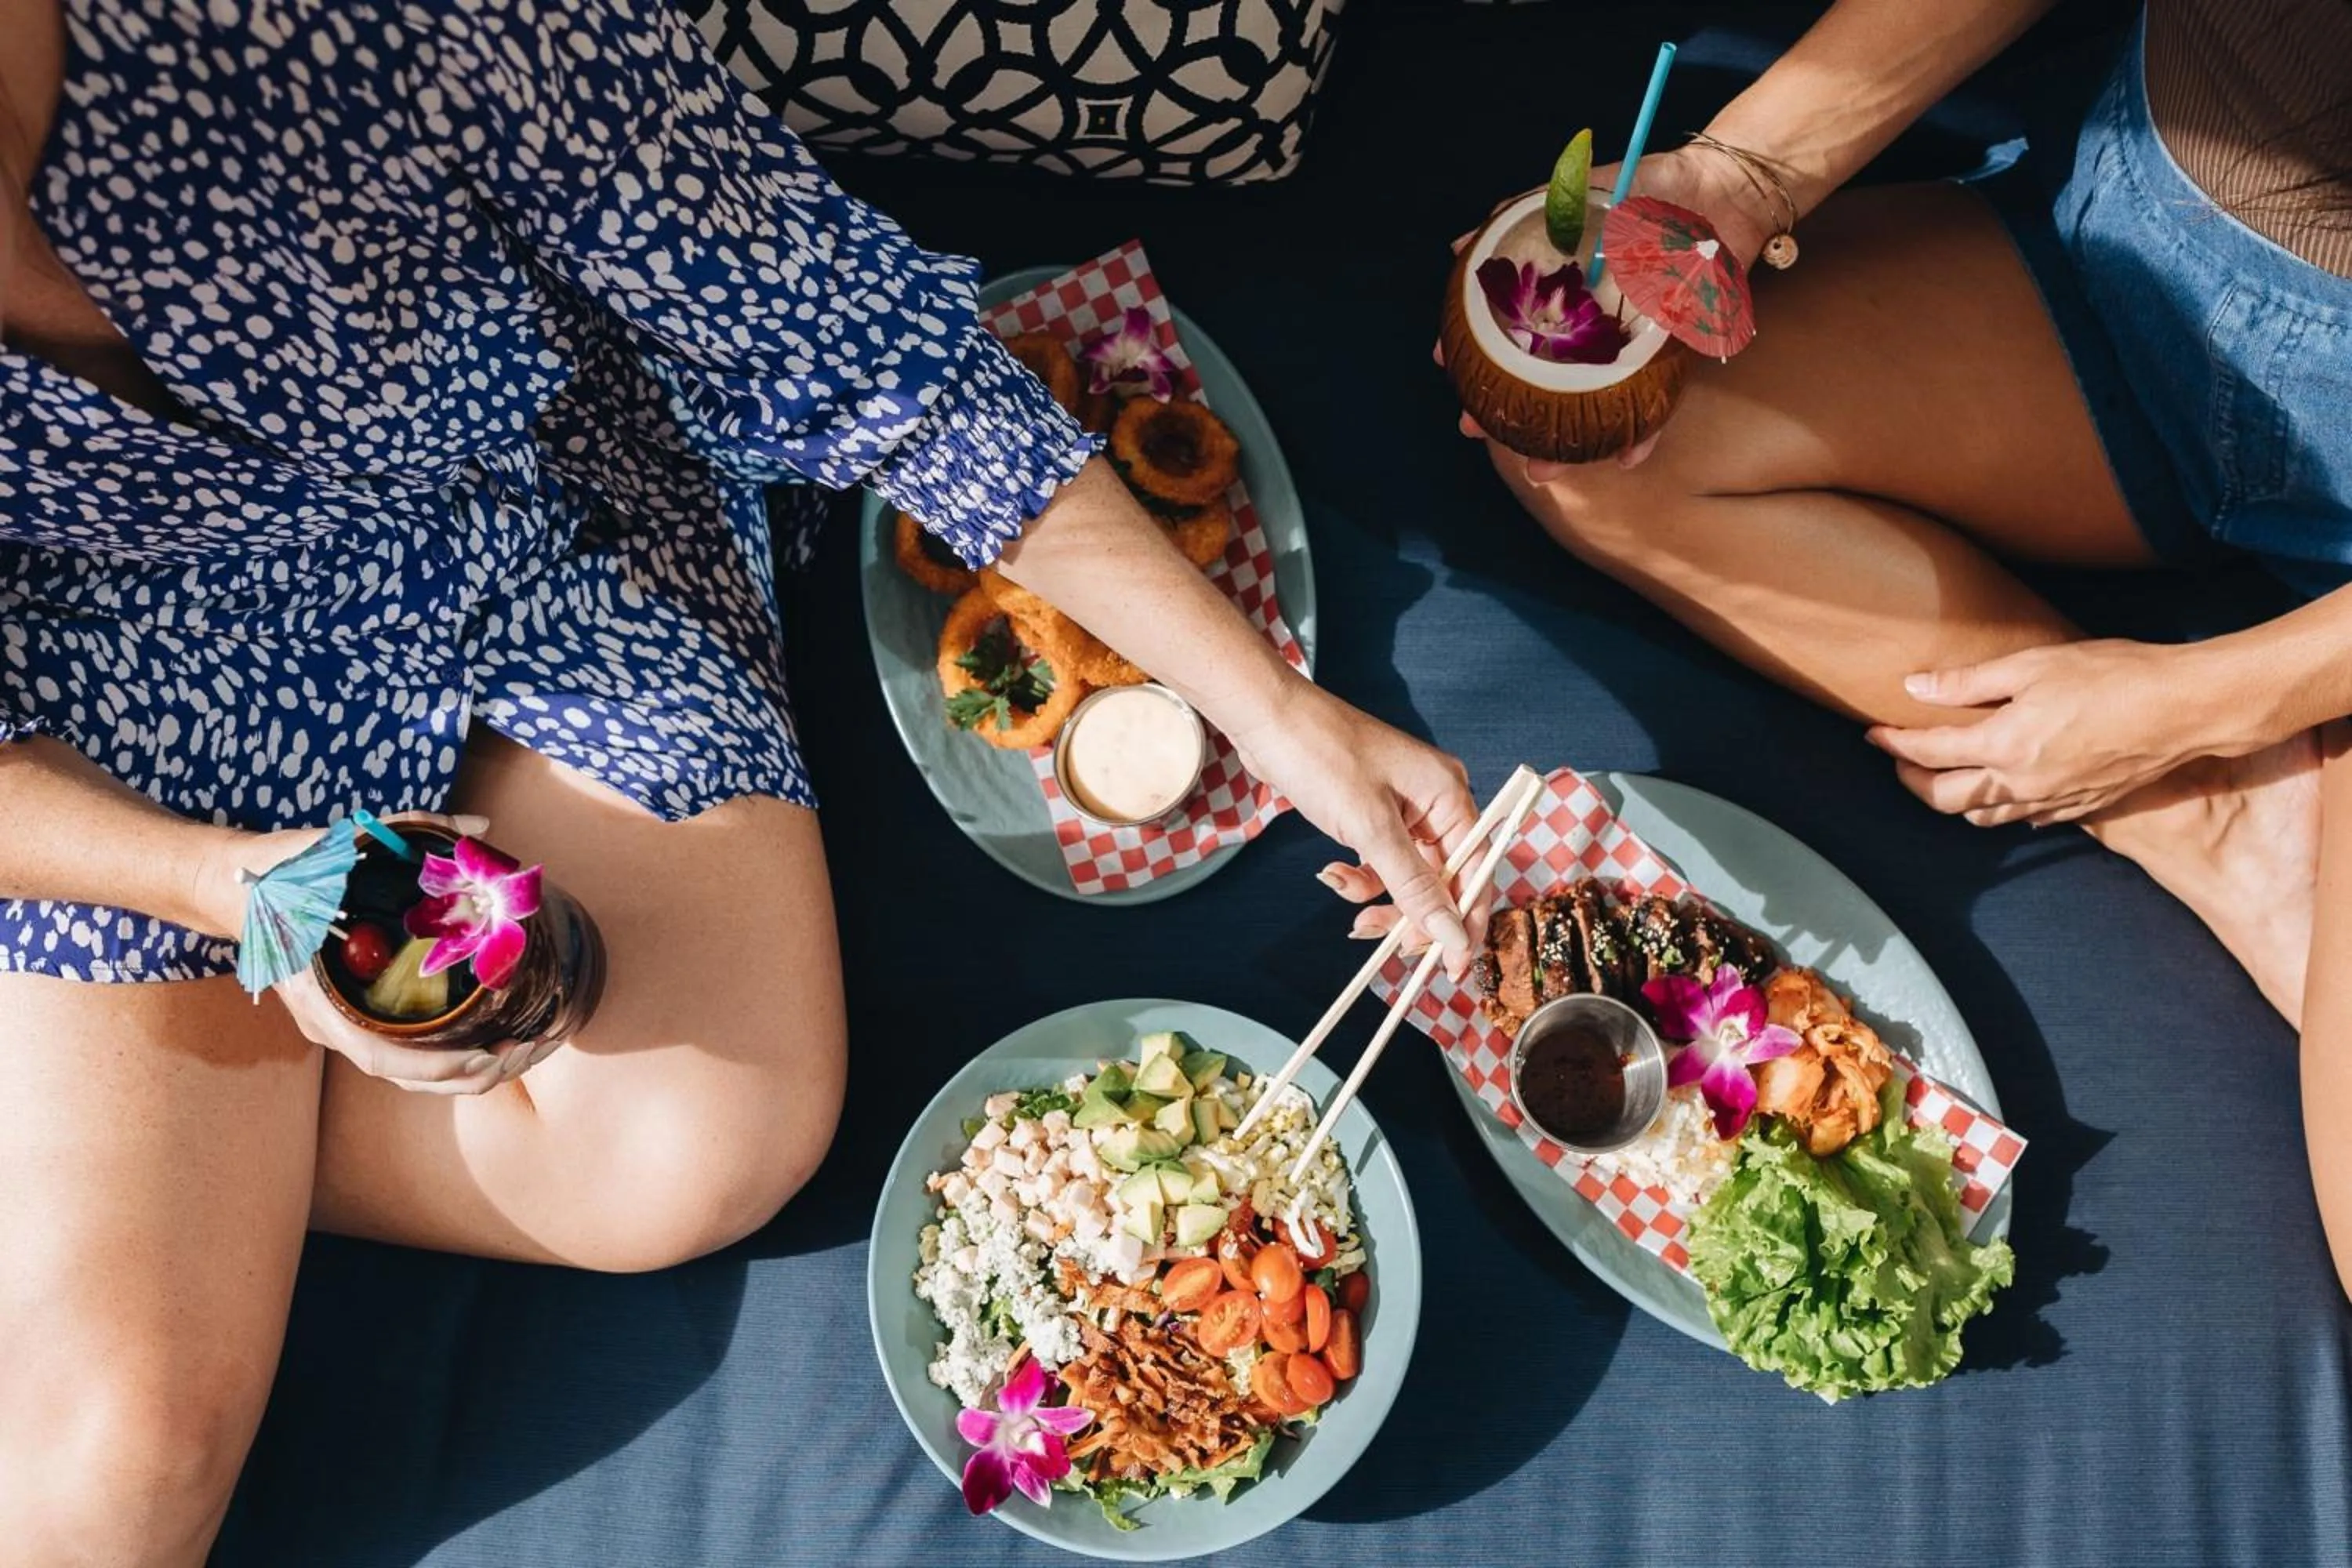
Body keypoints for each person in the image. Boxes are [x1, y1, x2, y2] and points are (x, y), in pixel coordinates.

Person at [0, 0, 1480, 1558]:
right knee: (125, 1459)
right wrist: (215, 884)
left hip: (545, 492)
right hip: (103, 688)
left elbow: (836, 329)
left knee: (694, 1152)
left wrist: (1274, 709)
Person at [1457, 0, 2352, 1279]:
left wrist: (2212, 699)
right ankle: (2220, 822)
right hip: (2142, 256)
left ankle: (2226, 763)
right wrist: (1741, 172)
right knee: (1589, 452)